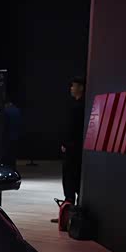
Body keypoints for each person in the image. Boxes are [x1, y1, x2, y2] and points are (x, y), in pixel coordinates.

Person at [52, 76, 86, 222]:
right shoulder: (79, 105)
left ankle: (69, 214)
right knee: (72, 179)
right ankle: (69, 213)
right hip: (74, 148)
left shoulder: (79, 107)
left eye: (73, 86)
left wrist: (66, 144)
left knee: (70, 179)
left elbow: (74, 129)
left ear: (81, 88)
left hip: (73, 149)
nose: (71, 89)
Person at [3, 100, 23, 169]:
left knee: (7, 151)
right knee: (13, 151)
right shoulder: (17, 110)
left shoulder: (6, 111)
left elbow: (5, 123)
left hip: (7, 134)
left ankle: (7, 165)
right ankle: (13, 165)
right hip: (15, 134)